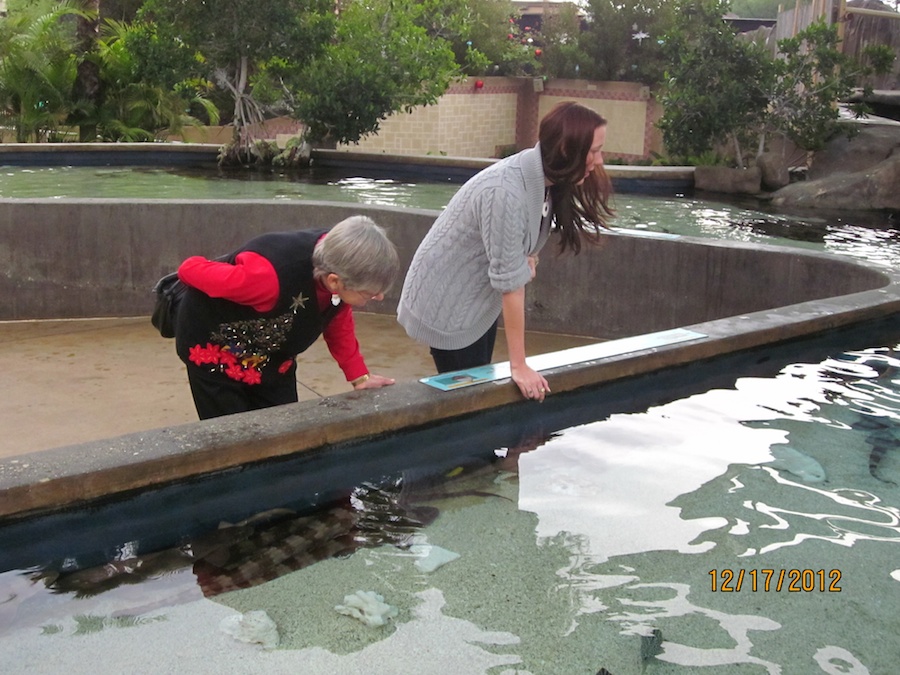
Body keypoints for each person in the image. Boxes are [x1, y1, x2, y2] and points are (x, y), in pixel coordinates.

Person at [398, 101, 614, 403]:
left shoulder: (544, 179)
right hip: (447, 301)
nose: (599, 160)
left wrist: (522, 260)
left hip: (476, 297)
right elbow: (511, 285)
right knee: (467, 403)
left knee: (476, 393)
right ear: (566, 149)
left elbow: (516, 251)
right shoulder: (505, 191)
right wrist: (519, 365)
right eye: (593, 151)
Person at [175, 215, 399, 419]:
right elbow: (189, 269)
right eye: (369, 293)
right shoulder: (264, 278)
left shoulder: (341, 262)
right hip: (214, 349)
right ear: (334, 281)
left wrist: (360, 376)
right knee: (232, 434)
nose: (379, 297)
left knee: (283, 426)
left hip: (271, 355)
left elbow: (337, 321)